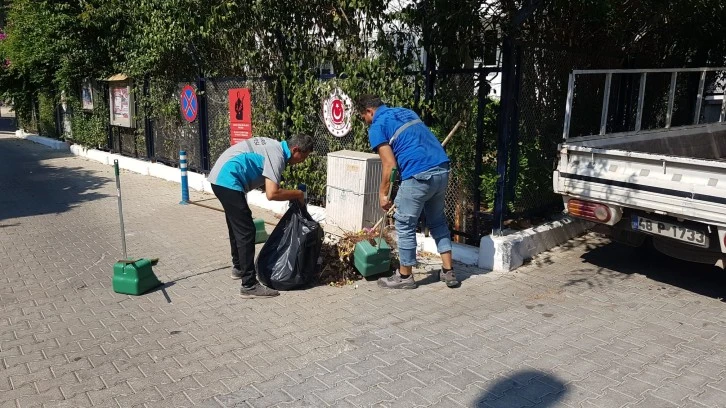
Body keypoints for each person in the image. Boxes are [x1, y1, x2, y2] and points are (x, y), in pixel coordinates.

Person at [355, 94, 459, 289]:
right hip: (442, 170)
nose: (366, 121)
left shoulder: (377, 126)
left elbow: (389, 164)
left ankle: (405, 277)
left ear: (369, 111)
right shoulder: (405, 112)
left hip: (418, 174)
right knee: (437, 221)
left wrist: (383, 194)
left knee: (404, 224)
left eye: (364, 117)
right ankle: (448, 271)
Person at [207, 134, 313, 298]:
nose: (303, 161)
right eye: (303, 157)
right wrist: (298, 194)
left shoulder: (275, 147)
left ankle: (239, 267)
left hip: (220, 177)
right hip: (227, 179)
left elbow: (264, 178)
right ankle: (249, 285)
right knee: (246, 231)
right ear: (295, 150)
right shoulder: (277, 156)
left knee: (237, 226)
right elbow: (272, 193)